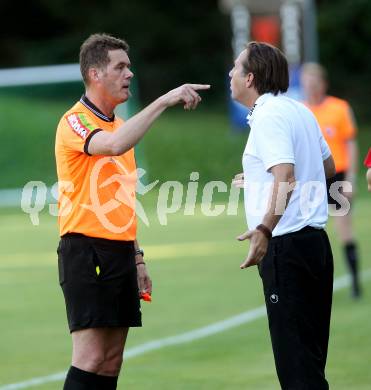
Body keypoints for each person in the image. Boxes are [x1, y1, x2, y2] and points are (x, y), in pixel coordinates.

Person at [55, 33, 209, 390]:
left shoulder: (122, 126)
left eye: (129, 66)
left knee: (111, 362)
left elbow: (122, 198)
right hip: (86, 250)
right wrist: (165, 100)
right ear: (95, 74)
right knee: (90, 358)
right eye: (120, 67)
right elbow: (111, 145)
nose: (130, 74)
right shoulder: (75, 121)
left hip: (120, 252)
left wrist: (137, 256)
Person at [230, 42, 336, 389]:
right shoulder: (299, 110)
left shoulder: (267, 114)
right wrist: (261, 180)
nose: (230, 74)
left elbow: (286, 176)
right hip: (316, 245)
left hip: (287, 248)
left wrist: (263, 228)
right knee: (311, 365)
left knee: (296, 371)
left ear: (250, 77)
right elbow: (327, 165)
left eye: (235, 68)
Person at [301, 63, 361, 298]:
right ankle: (310, 284)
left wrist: (351, 179)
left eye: (314, 83)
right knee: (306, 230)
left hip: (338, 175)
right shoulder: (301, 110)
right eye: (307, 83)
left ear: (323, 83)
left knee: (344, 229)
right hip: (311, 178)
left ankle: (355, 284)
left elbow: (351, 143)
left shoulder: (339, 108)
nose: (311, 88)